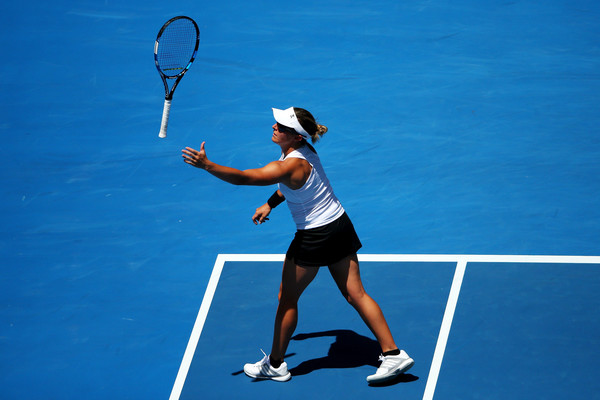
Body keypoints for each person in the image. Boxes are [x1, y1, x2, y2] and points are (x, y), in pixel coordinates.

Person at [181, 107, 413, 384]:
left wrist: (207, 166)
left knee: (287, 298)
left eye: (281, 126)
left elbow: (246, 177)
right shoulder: (305, 154)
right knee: (355, 293)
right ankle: (393, 353)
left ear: (297, 137)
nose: (274, 127)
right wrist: (270, 203)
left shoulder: (289, 164)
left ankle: (276, 364)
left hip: (315, 237)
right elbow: (289, 186)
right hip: (339, 224)